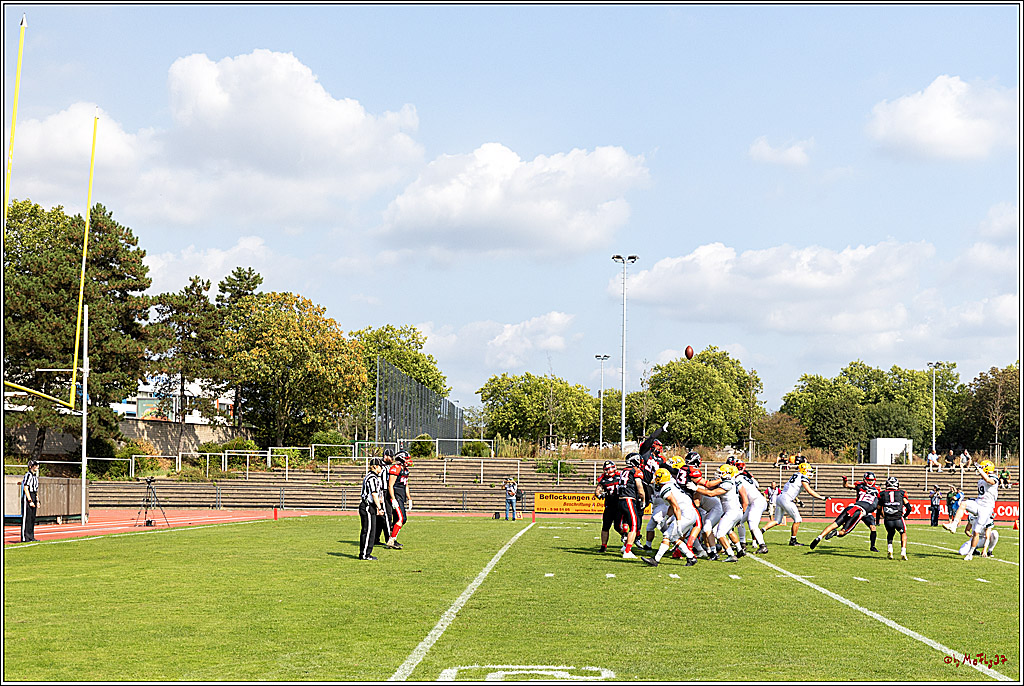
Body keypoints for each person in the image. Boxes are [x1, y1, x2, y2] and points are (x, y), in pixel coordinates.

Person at [808, 471, 881, 552]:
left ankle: (872, 546)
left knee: (872, 527)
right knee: (843, 531)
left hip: (861, 510)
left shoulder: (877, 489)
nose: (870, 482)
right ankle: (826, 536)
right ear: (865, 479)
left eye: (871, 480)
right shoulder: (860, 486)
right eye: (869, 480)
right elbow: (846, 485)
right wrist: (845, 481)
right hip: (860, 510)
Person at [641, 468, 698, 567]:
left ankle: (655, 560)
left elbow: (676, 506)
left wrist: (679, 523)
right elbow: (672, 506)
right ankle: (691, 557)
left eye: (657, 477)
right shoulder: (671, 484)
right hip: (690, 513)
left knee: (667, 535)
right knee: (673, 537)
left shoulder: (665, 489)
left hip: (685, 514)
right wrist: (666, 518)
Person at [942, 460, 999, 561]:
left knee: (976, 532)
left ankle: (971, 553)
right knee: (963, 503)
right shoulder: (980, 481)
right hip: (978, 503)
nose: (980, 469)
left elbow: (989, 480)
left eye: (982, 467)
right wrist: (981, 472)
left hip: (986, 508)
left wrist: (981, 471)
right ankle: (954, 525)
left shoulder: (994, 477)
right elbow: (984, 480)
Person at [762, 461, 827, 545]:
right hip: (787, 499)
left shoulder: (795, 475)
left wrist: (797, 500)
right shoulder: (803, 478)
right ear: (804, 470)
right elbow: (809, 491)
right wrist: (822, 497)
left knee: (777, 520)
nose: (810, 473)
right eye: (809, 471)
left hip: (780, 497)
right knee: (798, 519)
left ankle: (760, 531)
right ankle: (793, 540)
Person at [734, 460, 769, 554]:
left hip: (756, 502)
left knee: (752, 525)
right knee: (739, 521)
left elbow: (744, 499)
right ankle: (743, 544)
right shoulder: (745, 477)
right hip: (754, 501)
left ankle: (763, 546)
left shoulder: (737, 479)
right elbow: (757, 485)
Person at [617, 454, 647, 559]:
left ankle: (625, 546)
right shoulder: (636, 471)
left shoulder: (623, 471)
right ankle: (627, 550)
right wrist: (643, 499)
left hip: (620, 500)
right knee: (634, 526)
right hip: (628, 499)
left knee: (629, 523)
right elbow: (639, 487)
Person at [385, 450, 413, 550]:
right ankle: (391, 540)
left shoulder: (405, 470)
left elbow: (406, 485)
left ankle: (392, 538)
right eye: (406, 459)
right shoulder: (395, 468)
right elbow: (390, 485)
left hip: (401, 497)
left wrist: (409, 498)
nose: (408, 461)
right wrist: (393, 499)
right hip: (395, 496)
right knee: (402, 519)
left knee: (399, 519)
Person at [358, 458, 386, 560]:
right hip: (367, 506)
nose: (382, 468)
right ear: (375, 466)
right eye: (380, 466)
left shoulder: (373, 477)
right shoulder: (372, 478)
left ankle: (367, 553)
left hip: (370, 506)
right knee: (368, 531)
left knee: (371, 531)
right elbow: (374, 494)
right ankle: (364, 554)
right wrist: (380, 507)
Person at [879, 476, 912, 560]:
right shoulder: (901, 493)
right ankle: (903, 551)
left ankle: (890, 549)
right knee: (903, 533)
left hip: (888, 519)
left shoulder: (882, 494)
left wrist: (879, 519)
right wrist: (905, 516)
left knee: (890, 534)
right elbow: (909, 507)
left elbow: (879, 508)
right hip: (898, 518)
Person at [596, 460, 623, 552]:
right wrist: (600, 494)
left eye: (609, 469)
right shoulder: (602, 478)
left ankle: (626, 535)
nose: (608, 471)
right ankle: (603, 546)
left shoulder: (620, 476)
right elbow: (598, 490)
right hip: (609, 506)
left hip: (620, 505)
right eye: (606, 469)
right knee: (605, 526)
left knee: (618, 527)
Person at [375, 450, 395, 545]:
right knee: (387, 516)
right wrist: (380, 495)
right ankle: (389, 539)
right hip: (382, 492)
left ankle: (376, 539)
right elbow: (378, 482)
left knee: (380, 518)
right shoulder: (381, 466)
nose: (392, 459)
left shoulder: (386, 466)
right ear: (385, 456)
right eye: (391, 457)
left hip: (384, 492)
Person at [20, 459, 40, 542]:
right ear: (30, 466)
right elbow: (26, 488)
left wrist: (37, 500)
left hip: (33, 495)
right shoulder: (28, 475)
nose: (36, 467)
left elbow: (36, 490)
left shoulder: (35, 477)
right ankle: (25, 537)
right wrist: (30, 500)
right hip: (28, 497)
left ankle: (31, 536)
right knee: (27, 518)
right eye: (35, 465)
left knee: (32, 518)